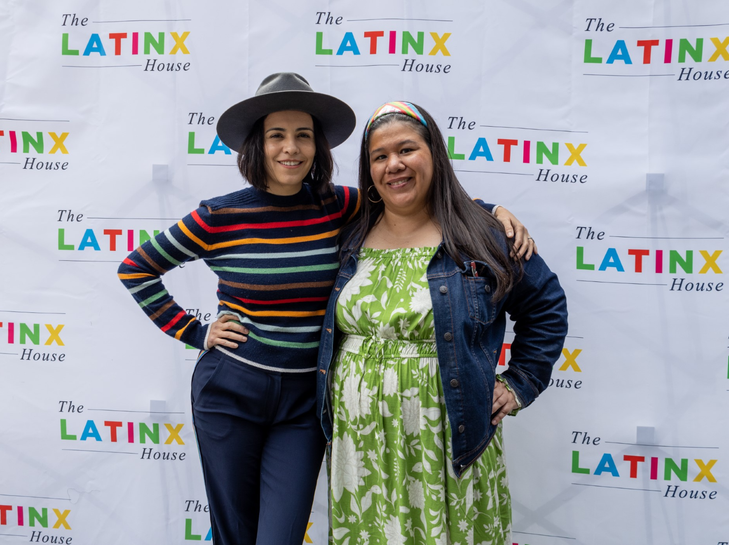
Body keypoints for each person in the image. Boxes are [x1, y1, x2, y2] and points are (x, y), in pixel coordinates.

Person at [117, 73, 535, 545]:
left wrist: (490, 212)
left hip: (303, 401)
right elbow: (136, 270)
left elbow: (415, 198)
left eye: (303, 135)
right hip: (231, 390)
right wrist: (196, 332)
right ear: (258, 144)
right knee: (234, 534)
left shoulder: (339, 205)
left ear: (318, 147)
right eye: (277, 135)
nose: (290, 148)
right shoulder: (219, 215)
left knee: (280, 536)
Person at [315, 101, 568, 544]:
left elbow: (545, 306)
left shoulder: (481, 233)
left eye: (407, 149)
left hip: (446, 439)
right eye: (379, 156)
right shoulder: (351, 234)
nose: (394, 164)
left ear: (434, 154)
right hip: (361, 444)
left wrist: (520, 382)